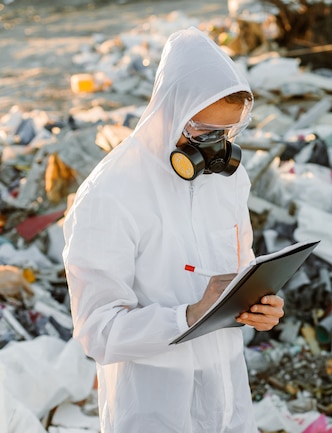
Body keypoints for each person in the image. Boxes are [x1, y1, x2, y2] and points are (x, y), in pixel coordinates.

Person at [62, 26, 284, 433]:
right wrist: (188, 316)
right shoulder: (110, 194)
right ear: (169, 111)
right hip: (153, 407)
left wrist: (258, 306)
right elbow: (97, 332)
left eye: (227, 134)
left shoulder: (229, 178)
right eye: (204, 133)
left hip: (228, 400)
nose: (216, 149)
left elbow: (240, 271)